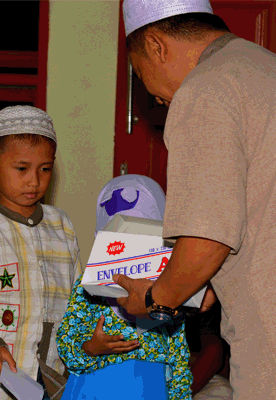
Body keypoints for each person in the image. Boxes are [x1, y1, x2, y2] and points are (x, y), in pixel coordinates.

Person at [113, 1, 276, 398]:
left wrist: (155, 299)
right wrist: (208, 282)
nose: (152, 95)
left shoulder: (205, 89)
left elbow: (207, 240)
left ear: (156, 46)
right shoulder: (265, 67)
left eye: (139, 74)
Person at [0, 105, 82, 400]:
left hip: (54, 374)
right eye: (21, 169)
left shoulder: (61, 225)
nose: (34, 180)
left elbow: (78, 296)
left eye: (45, 169)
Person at [57, 175, 192, 400]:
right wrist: (91, 347)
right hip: (95, 390)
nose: (131, 246)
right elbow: (66, 341)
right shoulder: (89, 287)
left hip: (152, 390)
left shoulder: (169, 292)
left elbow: (179, 361)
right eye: (120, 236)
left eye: (143, 235)